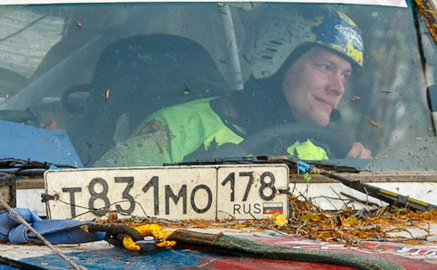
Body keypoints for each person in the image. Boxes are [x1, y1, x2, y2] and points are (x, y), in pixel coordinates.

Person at [107, 8, 373, 165]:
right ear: (277, 61)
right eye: (325, 67)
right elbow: (108, 214)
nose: (338, 88)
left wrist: (356, 177)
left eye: (345, 75)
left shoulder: (318, 152)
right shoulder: (172, 130)